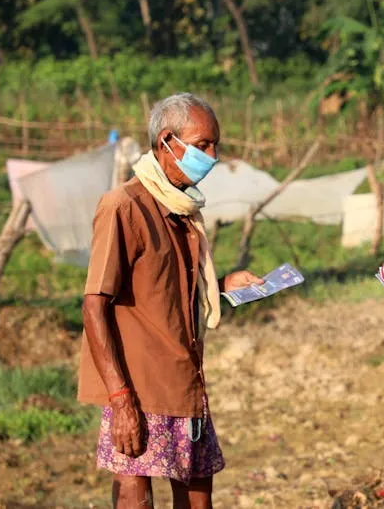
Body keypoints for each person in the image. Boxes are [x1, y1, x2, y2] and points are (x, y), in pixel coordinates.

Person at [78, 92, 263, 509]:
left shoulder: (183, 210)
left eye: (215, 144)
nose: (213, 156)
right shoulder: (123, 206)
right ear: (166, 141)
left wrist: (225, 284)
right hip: (139, 389)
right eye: (203, 145)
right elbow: (95, 306)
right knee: (135, 497)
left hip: (186, 381)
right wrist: (121, 398)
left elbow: (169, 291)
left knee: (199, 499)